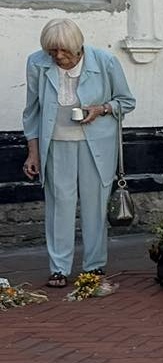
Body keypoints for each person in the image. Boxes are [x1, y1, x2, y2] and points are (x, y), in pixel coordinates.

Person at [21, 18, 136, 288]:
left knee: (95, 205)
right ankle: (58, 268)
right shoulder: (37, 62)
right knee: (59, 205)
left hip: (96, 145)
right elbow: (31, 112)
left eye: (64, 51)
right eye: (52, 52)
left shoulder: (104, 61)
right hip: (56, 144)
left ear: (79, 46)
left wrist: (101, 109)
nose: (58, 57)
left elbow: (126, 101)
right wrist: (33, 153)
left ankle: (94, 267)